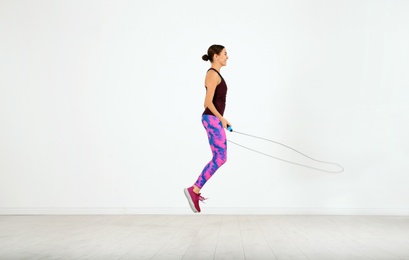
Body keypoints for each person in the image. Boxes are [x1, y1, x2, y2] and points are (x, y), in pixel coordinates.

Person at [184, 44, 231, 213]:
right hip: (211, 119)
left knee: (220, 157)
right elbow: (207, 103)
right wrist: (222, 119)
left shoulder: (216, 75)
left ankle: (195, 189)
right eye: (225, 54)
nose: (227, 57)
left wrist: (222, 120)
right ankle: (194, 190)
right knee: (220, 157)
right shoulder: (212, 74)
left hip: (213, 120)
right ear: (216, 56)